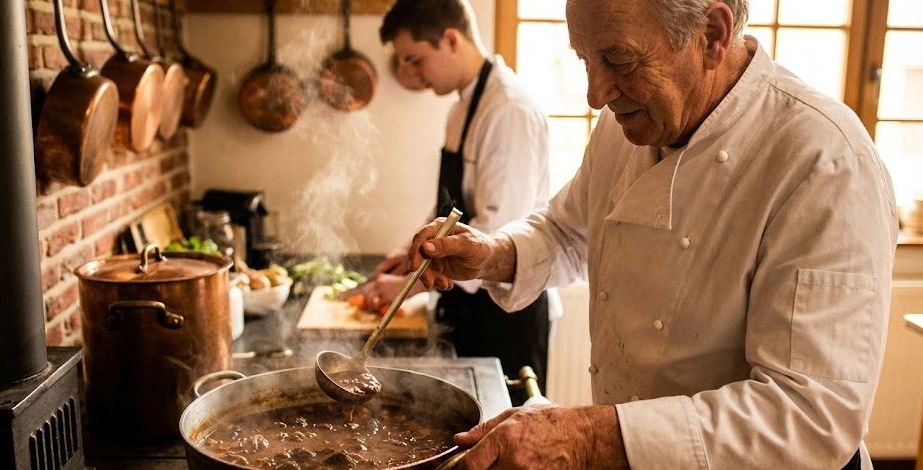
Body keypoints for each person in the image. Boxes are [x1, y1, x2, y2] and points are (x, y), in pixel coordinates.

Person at [404, 0, 899, 468]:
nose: (596, 95)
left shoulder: (825, 162)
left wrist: (588, 437)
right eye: (585, 61)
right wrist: (492, 253)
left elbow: (809, 417)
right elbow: (567, 228)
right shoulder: (626, 125)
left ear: (712, 36)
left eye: (618, 60)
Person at [355, 0, 558, 403]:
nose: (412, 75)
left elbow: (497, 237)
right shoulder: (461, 108)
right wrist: (410, 250)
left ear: (450, 39)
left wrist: (410, 287)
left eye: (416, 60)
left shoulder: (509, 111)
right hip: (466, 310)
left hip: (506, 315)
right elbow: (451, 209)